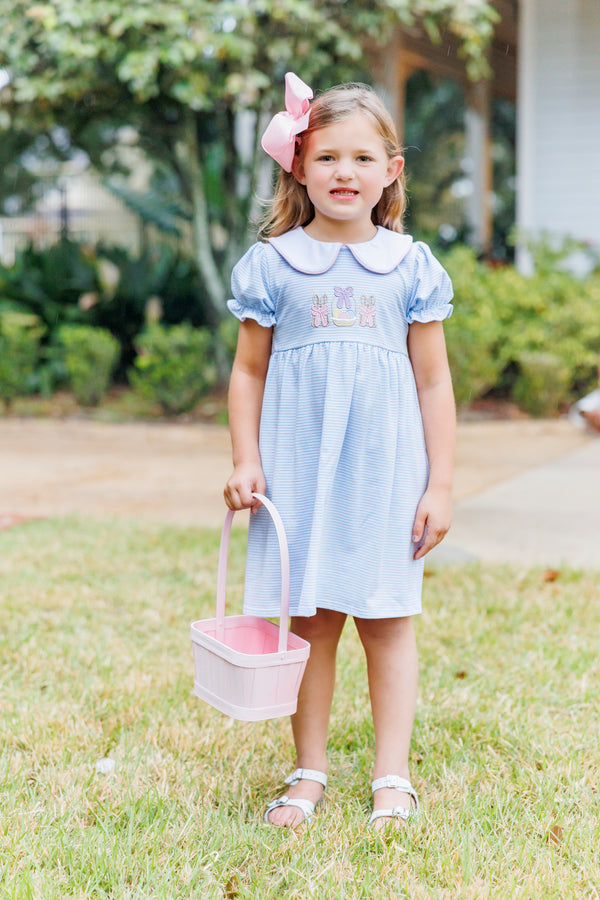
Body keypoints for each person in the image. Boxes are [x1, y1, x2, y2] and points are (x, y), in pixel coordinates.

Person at [224, 73, 455, 831]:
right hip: (297, 473)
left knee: (386, 621)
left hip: (386, 475)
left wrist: (440, 485)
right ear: (299, 166)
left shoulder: (411, 266)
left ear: (392, 170)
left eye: (362, 157)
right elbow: (248, 372)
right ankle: (308, 771)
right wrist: (245, 459)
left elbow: (433, 382)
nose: (343, 172)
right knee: (311, 623)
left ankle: (393, 775)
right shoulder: (273, 264)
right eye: (326, 157)